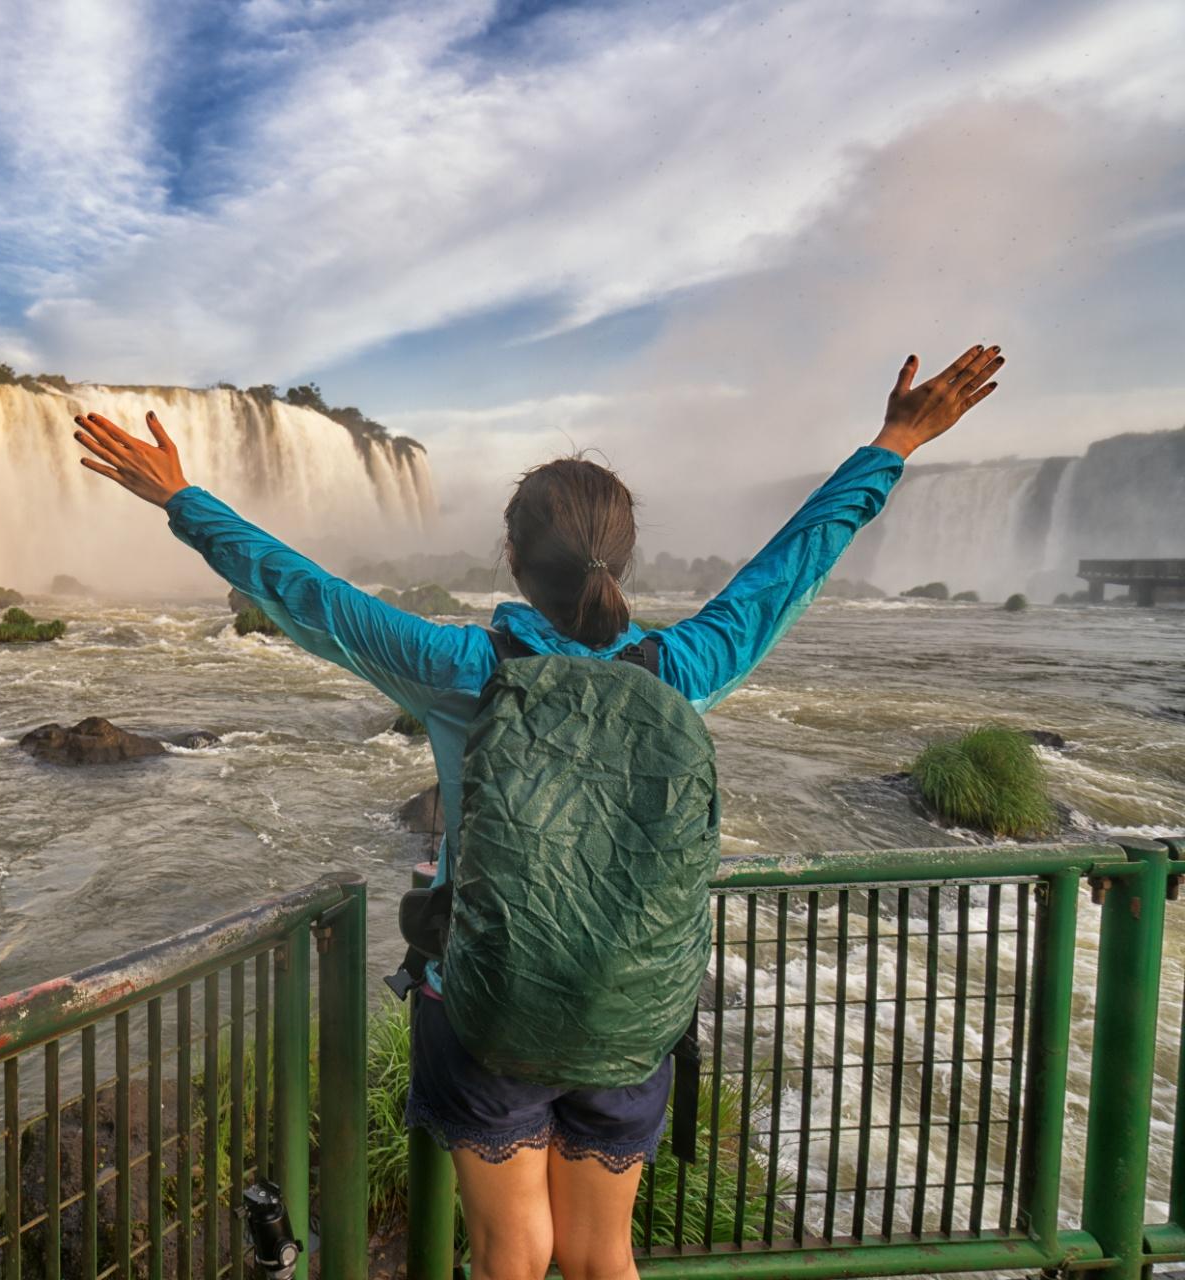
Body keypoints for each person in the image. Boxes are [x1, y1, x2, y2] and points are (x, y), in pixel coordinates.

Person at [71, 344, 1003, 1280]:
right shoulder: (682, 668)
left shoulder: (460, 668)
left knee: (511, 1252)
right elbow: (784, 572)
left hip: (488, 1003)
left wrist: (182, 500)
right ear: (624, 557)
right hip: (630, 1007)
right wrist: (894, 441)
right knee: (604, 1255)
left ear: (511, 558)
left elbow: (310, 595)